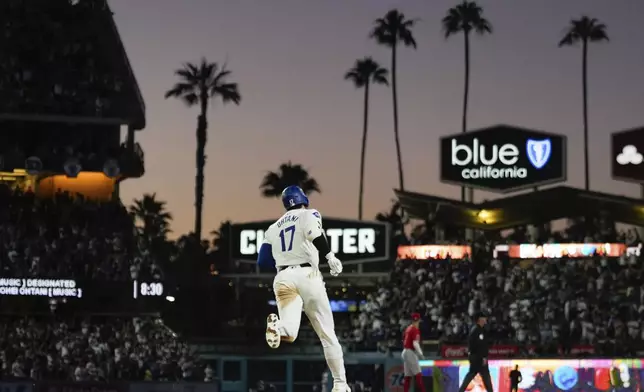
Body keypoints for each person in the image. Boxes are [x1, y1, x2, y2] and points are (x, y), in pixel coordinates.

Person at [257, 185, 349, 392]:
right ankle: (340, 385)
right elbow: (315, 235)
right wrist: (329, 256)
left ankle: (278, 327)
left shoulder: (272, 228)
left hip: (282, 277)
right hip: (307, 275)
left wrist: (285, 265)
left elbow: (262, 261)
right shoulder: (309, 214)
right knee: (327, 334)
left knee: (289, 332)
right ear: (303, 199)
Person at [458, 313, 494, 392]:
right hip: (478, 358)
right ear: (480, 319)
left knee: (479, 375)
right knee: (482, 375)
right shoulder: (478, 330)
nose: (485, 320)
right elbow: (480, 345)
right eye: (484, 318)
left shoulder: (477, 329)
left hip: (475, 357)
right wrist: (484, 357)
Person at [401, 313, 426, 392]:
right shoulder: (415, 329)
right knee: (418, 374)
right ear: (417, 321)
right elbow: (415, 343)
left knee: (407, 376)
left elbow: (403, 340)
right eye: (418, 321)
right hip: (410, 352)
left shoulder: (408, 328)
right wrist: (421, 354)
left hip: (405, 352)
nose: (418, 323)